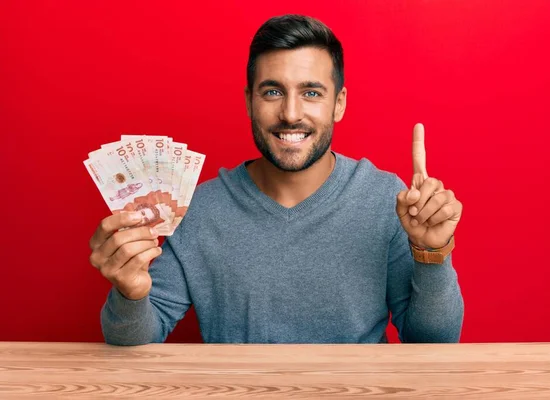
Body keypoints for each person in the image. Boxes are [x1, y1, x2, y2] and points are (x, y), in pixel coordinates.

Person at [88, 14, 464, 345]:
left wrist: (433, 254)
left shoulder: (386, 198)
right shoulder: (198, 209)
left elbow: (433, 341)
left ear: (339, 103)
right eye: (272, 92)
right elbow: (136, 338)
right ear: (250, 100)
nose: (290, 113)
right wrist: (131, 294)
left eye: (311, 92)